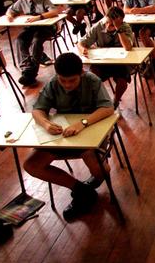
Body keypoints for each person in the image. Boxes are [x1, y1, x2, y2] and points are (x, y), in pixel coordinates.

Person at [23, 52, 114, 221]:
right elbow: (37, 109)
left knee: (99, 168)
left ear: (81, 73)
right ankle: (81, 190)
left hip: (91, 133)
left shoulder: (92, 81)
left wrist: (82, 123)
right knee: (31, 165)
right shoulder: (53, 83)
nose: (66, 85)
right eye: (62, 80)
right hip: (64, 136)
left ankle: (87, 188)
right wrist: (47, 124)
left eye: (72, 80)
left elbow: (108, 108)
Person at [6, 0, 60, 86]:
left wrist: (39, 17)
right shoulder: (22, 0)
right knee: (20, 39)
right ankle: (27, 68)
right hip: (31, 28)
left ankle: (31, 73)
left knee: (36, 41)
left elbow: (54, 11)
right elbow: (10, 10)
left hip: (46, 28)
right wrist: (10, 16)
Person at [77, 7, 133, 108]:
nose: (107, 26)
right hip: (103, 60)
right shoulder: (99, 25)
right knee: (92, 76)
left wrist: (118, 29)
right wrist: (83, 49)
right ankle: (99, 100)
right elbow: (81, 42)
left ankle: (115, 101)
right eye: (107, 22)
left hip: (121, 62)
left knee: (122, 80)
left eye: (111, 24)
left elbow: (128, 47)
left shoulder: (125, 27)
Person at [122, 0, 155, 75]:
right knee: (126, 33)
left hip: (153, 22)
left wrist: (140, 10)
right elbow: (125, 9)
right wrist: (131, 11)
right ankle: (139, 60)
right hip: (138, 22)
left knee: (142, 33)